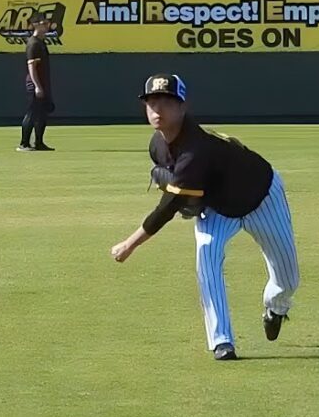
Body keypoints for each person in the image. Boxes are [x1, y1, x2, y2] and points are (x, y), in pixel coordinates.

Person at [110, 73, 300, 361]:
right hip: (217, 208)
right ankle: (222, 340)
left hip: (261, 196)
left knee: (288, 280)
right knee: (207, 254)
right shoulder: (156, 145)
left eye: (167, 101)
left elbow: (168, 207)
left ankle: (276, 306)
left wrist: (129, 244)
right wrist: (190, 194)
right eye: (152, 102)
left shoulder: (196, 148)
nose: (157, 109)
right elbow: (180, 187)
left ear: (182, 107)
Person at [18, 12, 55, 152]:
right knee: (32, 113)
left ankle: (39, 142)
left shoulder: (41, 43)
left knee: (42, 114)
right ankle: (24, 143)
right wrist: (37, 86)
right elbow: (31, 66)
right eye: (44, 23)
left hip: (43, 83)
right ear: (35, 25)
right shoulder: (33, 44)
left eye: (47, 23)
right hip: (35, 84)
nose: (47, 26)